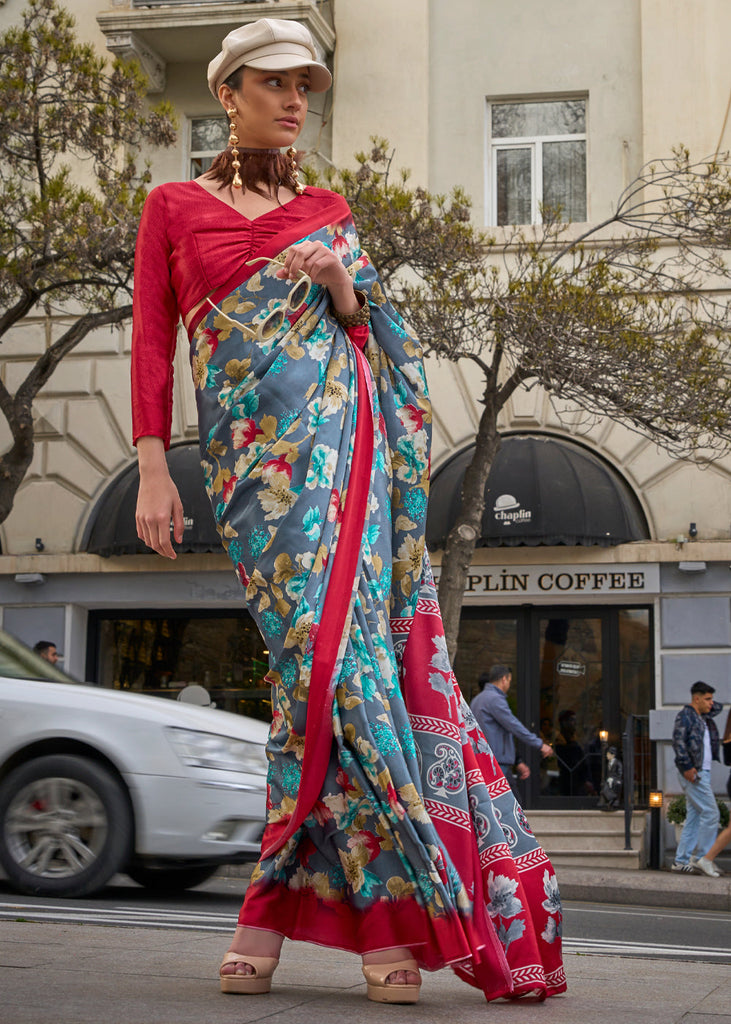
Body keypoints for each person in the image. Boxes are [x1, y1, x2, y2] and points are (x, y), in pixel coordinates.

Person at [131, 17, 565, 1004]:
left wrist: (338, 282)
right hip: (252, 478)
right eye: (275, 83)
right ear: (228, 92)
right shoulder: (172, 206)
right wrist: (154, 465)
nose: (295, 101)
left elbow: (375, 340)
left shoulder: (328, 209)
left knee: (333, 678)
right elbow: (153, 340)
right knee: (315, 673)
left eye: (305, 87)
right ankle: (381, 915)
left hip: (341, 467)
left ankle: (308, 926)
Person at [470, 666, 553, 798]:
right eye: (509, 680)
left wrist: (517, 761)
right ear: (504, 679)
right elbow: (513, 725)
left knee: (506, 802)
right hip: (496, 762)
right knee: (508, 803)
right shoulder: (495, 699)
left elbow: (500, 732)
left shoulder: (477, 700)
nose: (509, 684)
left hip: (486, 759)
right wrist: (539, 744)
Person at [671, 680, 723, 875]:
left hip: (703, 772)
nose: (711, 703)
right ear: (696, 699)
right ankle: (703, 858)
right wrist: (686, 767)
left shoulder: (703, 716)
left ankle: (681, 861)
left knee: (694, 817)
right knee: (711, 813)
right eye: (707, 699)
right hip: (694, 772)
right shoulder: (685, 716)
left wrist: (708, 702)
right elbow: (678, 742)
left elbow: (718, 707)